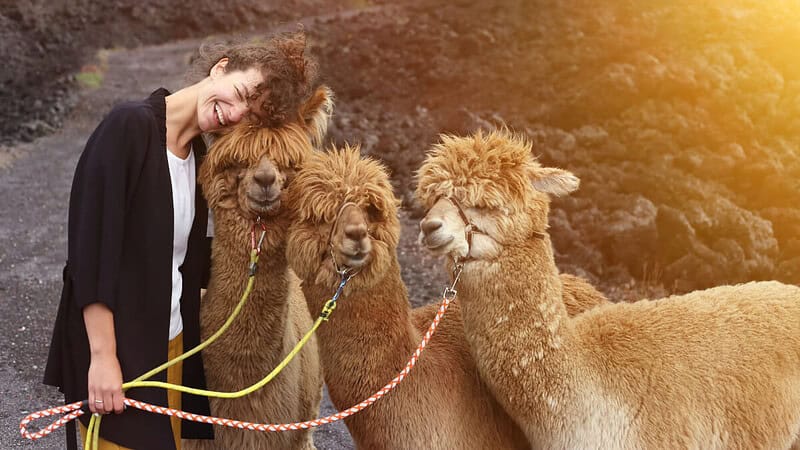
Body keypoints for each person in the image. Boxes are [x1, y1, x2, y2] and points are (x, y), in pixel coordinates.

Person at [43, 31, 318, 450]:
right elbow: (90, 256)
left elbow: (178, 257)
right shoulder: (129, 127)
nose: (234, 112)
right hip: (120, 355)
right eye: (241, 92)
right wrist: (102, 358)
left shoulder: (199, 160)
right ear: (221, 67)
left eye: (250, 112)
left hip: (171, 348)